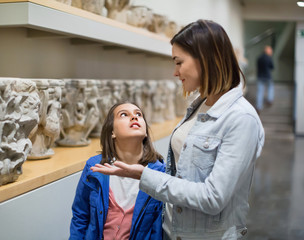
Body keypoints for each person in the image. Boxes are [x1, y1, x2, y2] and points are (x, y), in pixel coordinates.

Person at [91, 19, 265, 240]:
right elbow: (183, 173)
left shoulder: (241, 118)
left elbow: (213, 198)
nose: (175, 72)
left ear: (204, 60)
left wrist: (144, 176)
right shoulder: (200, 104)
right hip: (171, 232)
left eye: (179, 62)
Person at [69, 101, 165, 240]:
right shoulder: (95, 167)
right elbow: (80, 216)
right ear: (112, 132)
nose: (134, 117)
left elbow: (158, 231)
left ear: (145, 132)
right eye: (124, 114)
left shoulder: (159, 173)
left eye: (139, 114)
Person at [256, 45, 274, 113]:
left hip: (260, 76)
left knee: (260, 91)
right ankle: (270, 99)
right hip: (267, 76)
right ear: (267, 51)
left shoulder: (259, 58)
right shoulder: (269, 58)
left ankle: (259, 106)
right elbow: (272, 67)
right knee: (270, 87)